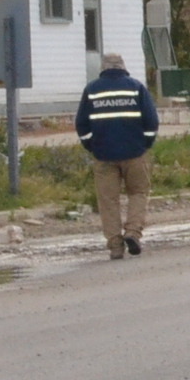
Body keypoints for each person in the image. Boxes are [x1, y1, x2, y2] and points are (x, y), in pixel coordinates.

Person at [75, 51, 160, 260]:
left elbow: (81, 124)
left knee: (108, 200)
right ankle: (132, 232)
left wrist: (91, 145)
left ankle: (115, 245)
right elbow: (152, 121)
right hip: (134, 152)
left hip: (103, 155)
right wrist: (145, 143)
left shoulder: (92, 90)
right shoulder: (136, 87)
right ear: (123, 67)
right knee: (138, 192)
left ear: (103, 68)